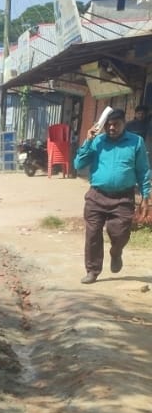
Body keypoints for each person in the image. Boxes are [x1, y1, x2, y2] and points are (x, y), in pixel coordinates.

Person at [73, 109, 151, 284]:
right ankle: (92, 270)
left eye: (116, 124)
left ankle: (116, 252)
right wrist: (88, 141)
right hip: (96, 196)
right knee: (93, 234)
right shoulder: (97, 141)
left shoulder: (136, 142)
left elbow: (143, 170)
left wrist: (145, 197)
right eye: (108, 125)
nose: (111, 128)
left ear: (124, 123)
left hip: (123, 198)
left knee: (120, 233)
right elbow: (78, 164)